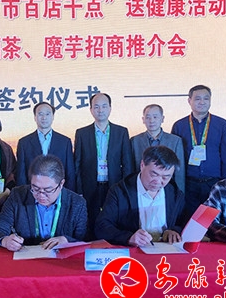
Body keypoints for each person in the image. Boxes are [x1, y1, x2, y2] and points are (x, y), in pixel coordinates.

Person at [0, 155, 87, 251]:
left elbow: (85, 239)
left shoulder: (77, 203)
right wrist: (5, 240)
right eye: (35, 188)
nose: (41, 195)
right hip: (26, 257)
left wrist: (67, 240)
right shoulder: (18, 195)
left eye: (48, 190)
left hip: (61, 259)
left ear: (61, 184)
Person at [96, 146, 186, 247]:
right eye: (154, 174)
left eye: (165, 177)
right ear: (142, 165)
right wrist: (128, 238)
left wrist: (174, 230)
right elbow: (102, 226)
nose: (158, 181)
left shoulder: (174, 194)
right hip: (134, 250)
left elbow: (184, 221)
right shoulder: (120, 191)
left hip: (166, 249)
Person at [74, 93, 134, 239]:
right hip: (90, 186)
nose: (100, 110)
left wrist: (125, 188)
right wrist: (79, 190)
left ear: (110, 108)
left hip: (114, 185)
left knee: (113, 219)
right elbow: (77, 164)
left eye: (104, 106)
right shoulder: (82, 133)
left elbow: (127, 163)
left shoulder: (121, 132)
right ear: (91, 110)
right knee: (90, 220)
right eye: (96, 107)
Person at [171, 85, 226, 216]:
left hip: (214, 183)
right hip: (188, 183)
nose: (202, 102)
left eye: (206, 98)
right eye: (197, 98)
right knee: (189, 220)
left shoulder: (221, 124)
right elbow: (174, 158)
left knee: (212, 220)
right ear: (189, 101)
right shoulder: (179, 125)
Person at [15, 101, 75, 190]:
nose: (44, 117)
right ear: (35, 117)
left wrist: (69, 194)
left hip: (58, 192)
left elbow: (70, 172)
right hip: (33, 191)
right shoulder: (24, 143)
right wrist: (22, 194)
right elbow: (21, 174)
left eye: (47, 114)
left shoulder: (65, 142)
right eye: (40, 114)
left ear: (53, 117)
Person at [131, 104, 185, 192]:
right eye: (148, 117)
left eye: (155, 117)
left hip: (167, 188)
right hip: (141, 188)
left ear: (162, 119)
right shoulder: (134, 141)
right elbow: (132, 168)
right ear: (143, 120)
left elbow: (179, 172)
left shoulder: (175, 141)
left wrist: (179, 193)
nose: (151, 120)